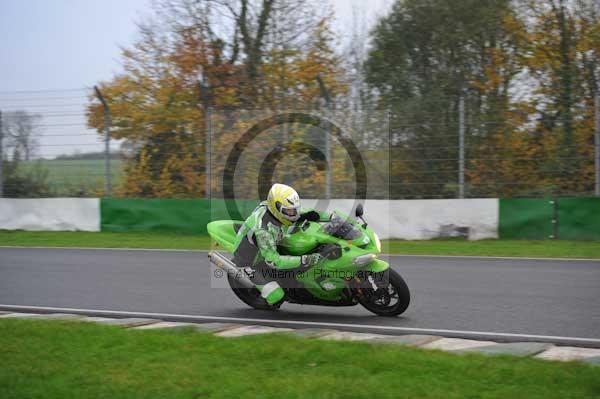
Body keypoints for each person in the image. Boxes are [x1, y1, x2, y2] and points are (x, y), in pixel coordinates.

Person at [232, 183, 330, 305]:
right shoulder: (263, 231)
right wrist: (305, 260)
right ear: (275, 208)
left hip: (269, 246)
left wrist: (330, 217)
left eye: (295, 210)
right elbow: (274, 261)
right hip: (251, 262)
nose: (294, 214)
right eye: (289, 211)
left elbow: (307, 213)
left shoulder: (275, 210)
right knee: (276, 297)